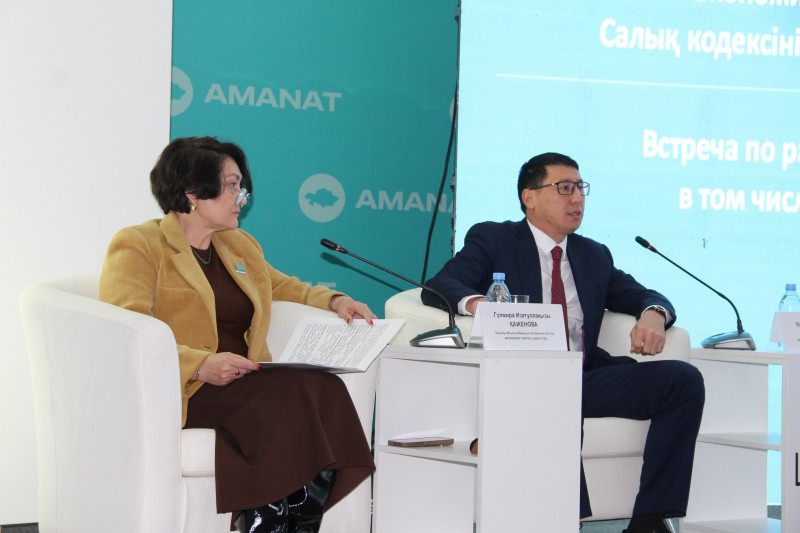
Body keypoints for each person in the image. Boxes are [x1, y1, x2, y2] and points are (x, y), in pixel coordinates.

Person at [99, 136, 376, 533]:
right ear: (192, 192)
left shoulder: (238, 245)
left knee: (324, 387)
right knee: (288, 395)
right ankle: (268, 519)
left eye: (240, 186)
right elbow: (128, 332)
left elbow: (284, 287)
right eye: (231, 186)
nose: (242, 197)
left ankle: (287, 522)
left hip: (243, 380)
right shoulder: (140, 245)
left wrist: (335, 300)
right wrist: (200, 365)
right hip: (185, 389)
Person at [421, 152, 705, 533]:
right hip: (525, 377)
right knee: (557, 396)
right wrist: (480, 306)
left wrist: (653, 312)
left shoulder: (593, 254)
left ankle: (649, 521)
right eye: (565, 188)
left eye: (581, 189)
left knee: (683, 381)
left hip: (585, 375)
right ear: (530, 197)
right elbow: (440, 284)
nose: (577, 199)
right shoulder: (495, 239)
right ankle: (563, 520)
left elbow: (640, 294)